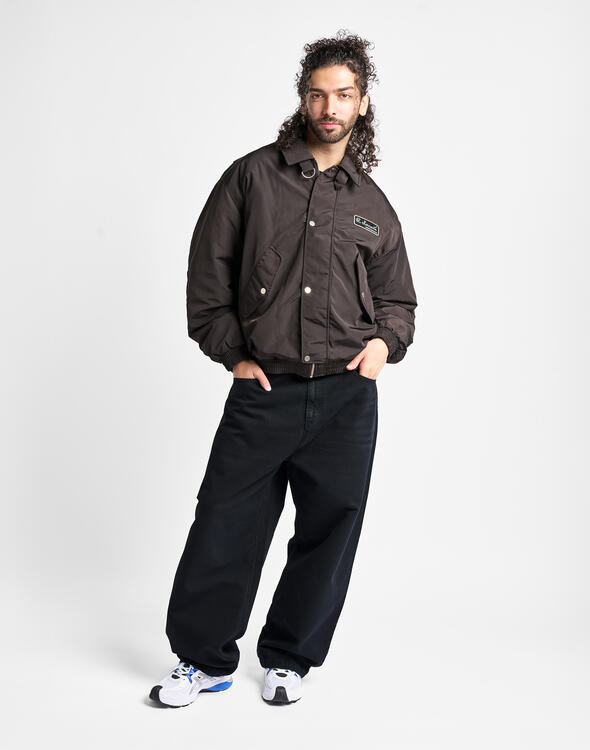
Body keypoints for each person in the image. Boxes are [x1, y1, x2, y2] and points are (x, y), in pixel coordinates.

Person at [149, 30, 418, 708]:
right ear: (303, 99)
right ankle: (201, 660)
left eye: (344, 95)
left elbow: (399, 301)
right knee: (224, 525)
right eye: (319, 94)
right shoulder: (251, 177)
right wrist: (234, 355)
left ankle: (290, 660)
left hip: (346, 399)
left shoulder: (372, 204)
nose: (330, 107)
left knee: (329, 533)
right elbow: (207, 281)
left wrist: (384, 345)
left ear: (362, 103)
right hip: (264, 388)